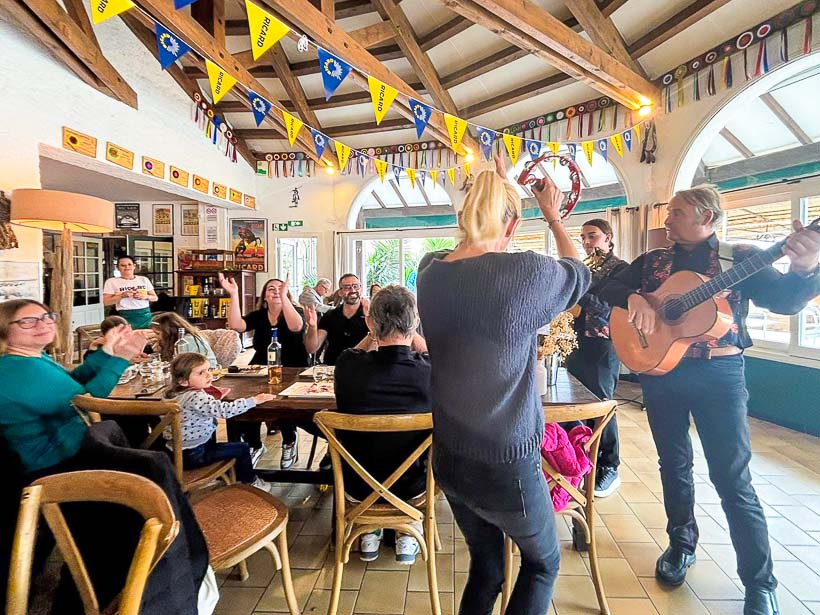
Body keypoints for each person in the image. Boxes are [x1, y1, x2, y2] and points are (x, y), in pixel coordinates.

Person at [597, 185, 820, 615]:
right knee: (673, 464)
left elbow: (785, 303)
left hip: (720, 373)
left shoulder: (741, 257)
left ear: (708, 217)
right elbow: (608, 287)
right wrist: (634, 297)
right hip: (662, 372)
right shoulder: (653, 261)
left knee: (732, 477)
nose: (667, 219)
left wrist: (804, 269)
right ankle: (681, 544)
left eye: (677, 212)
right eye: (668, 212)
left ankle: (759, 582)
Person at [417, 155, 590, 615]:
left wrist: (497, 184)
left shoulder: (429, 272)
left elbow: (468, 261)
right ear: (513, 225)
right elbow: (580, 274)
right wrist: (553, 216)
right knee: (543, 564)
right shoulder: (523, 274)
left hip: (450, 457)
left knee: (487, 566)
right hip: (506, 464)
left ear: (463, 216)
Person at [334, 285, 431, 564]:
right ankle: (407, 528)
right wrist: (411, 330)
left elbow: (353, 352)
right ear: (415, 322)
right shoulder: (429, 370)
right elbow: (429, 353)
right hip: (413, 487)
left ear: (370, 323)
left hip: (357, 485)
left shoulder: (347, 365)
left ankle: (369, 529)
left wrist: (372, 332)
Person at [0, 299, 145, 473]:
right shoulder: (19, 369)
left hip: (67, 444)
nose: (43, 324)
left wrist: (108, 350)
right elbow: (87, 402)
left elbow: (74, 380)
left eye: (46, 317)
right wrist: (122, 357)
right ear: (3, 329)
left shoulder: (30, 357)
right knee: (151, 459)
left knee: (133, 429)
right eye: (28, 321)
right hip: (53, 462)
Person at [564, 218, 628, 497]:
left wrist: (578, 289)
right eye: (583, 237)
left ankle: (609, 466)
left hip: (603, 343)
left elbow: (608, 307)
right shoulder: (586, 267)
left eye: (592, 236)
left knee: (601, 405)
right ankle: (580, 462)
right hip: (575, 340)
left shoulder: (621, 270)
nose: (586, 242)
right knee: (574, 405)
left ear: (608, 237)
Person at [219, 273, 307, 467]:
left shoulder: (296, 311)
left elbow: (296, 327)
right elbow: (236, 325)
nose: (276, 292)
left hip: (293, 366)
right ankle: (254, 444)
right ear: (264, 296)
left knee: (282, 404)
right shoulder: (259, 315)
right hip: (262, 366)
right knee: (249, 401)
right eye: (271, 289)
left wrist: (284, 298)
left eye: (280, 289)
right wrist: (233, 294)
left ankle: (289, 440)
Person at [165, 352, 274, 491]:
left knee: (219, 442)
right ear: (183, 381)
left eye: (209, 369)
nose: (208, 375)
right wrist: (254, 400)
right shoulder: (197, 397)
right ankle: (250, 482)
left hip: (174, 451)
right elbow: (225, 411)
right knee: (242, 448)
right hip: (194, 455)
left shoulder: (172, 394)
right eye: (201, 373)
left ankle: (220, 477)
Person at [304, 273, 371, 366]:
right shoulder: (330, 316)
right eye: (347, 287)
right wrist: (312, 326)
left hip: (364, 367)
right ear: (340, 292)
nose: (353, 290)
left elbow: (377, 343)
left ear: (361, 289)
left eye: (356, 286)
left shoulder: (371, 315)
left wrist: (370, 318)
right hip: (333, 368)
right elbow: (311, 349)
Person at [102, 255, 158, 329]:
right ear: (117, 268)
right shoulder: (111, 281)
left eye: (129, 264)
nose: (127, 267)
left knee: (147, 335)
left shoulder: (144, 279)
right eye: (123, 265)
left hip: (145, 315)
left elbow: (155, 298)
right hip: (124, 315)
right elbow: (106, 302)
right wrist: (122, 295)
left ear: (134, 266)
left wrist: (145, 296)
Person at [152, 312, 218, 367]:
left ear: (170, 332)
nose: (155, 336)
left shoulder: (187, 341)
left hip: (206, 373)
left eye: (157, 333)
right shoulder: (170, 343)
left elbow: (182, 367)